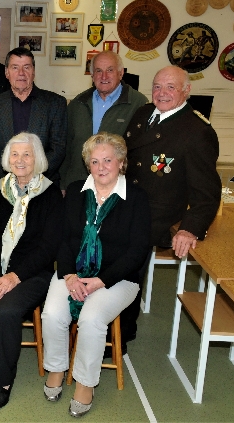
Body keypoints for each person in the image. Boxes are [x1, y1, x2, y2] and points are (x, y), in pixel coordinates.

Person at [42, 133, 151, 418]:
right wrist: (69, 277)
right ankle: (55, 369)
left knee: (91, 318)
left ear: (121, 162)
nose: (101, 167)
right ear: (87, 164)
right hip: (73, 272)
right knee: (52, 313)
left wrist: (101, 281)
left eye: (108, 160)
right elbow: (64, 240)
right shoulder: (76, 191)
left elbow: (137, 252)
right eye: (94, 161)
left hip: (118, 278)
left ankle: (85, 384)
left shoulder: (136, 197)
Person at [122, 65, 221, 343]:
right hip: (124, 206)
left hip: (156, 217)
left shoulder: (196, 131)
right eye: (157, 86)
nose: (161, 93)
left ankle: (120, 334)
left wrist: (190, 229)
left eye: (170, 87)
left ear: (186, 91)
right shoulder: (143, 114)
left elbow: (207, 192)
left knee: (127, 273)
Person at [0, 133, 63, 410]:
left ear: (38, 160)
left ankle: (3, 381)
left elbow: (49, 247)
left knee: (6, 312)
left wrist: (14, 276)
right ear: (7, 159)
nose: (20, 160)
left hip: (32, 272)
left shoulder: (50, 193)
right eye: (15, 154)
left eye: (27, 155)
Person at [59, 51, 147, 191]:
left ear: (121, 73)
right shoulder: (78, 104)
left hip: (117, 187)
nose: (104, 76)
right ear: (92, 75)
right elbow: (66, 147)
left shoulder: (139, 104)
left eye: (110, 70)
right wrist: (63, 183)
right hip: (78, 184)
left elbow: (142, 152)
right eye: (99, 71)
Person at [0, 47, 67, 184]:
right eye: (15, 68)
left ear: (33, 72)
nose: (21, 73)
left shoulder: (55, 104)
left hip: (44, 185)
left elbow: (58, 148)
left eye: (26, 67)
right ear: (6, 72)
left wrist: (33, 175)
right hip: (4, 185)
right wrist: (12, 176)